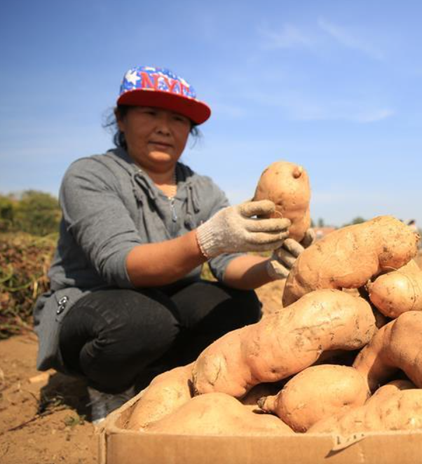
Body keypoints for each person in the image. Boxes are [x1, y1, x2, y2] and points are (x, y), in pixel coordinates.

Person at [33, 66, 312, 423]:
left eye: (178, 119)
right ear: (121, 119)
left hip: (164, 302)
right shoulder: (89, 175)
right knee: (143, 320)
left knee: (238, 307)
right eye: (150, 113)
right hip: (91, 304)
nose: (165, 127)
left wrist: (270, 268)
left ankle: (160, 375)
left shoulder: (202, 188)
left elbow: (227, 266)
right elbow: (120, 264)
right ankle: (108, 385)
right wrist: (208, 239)